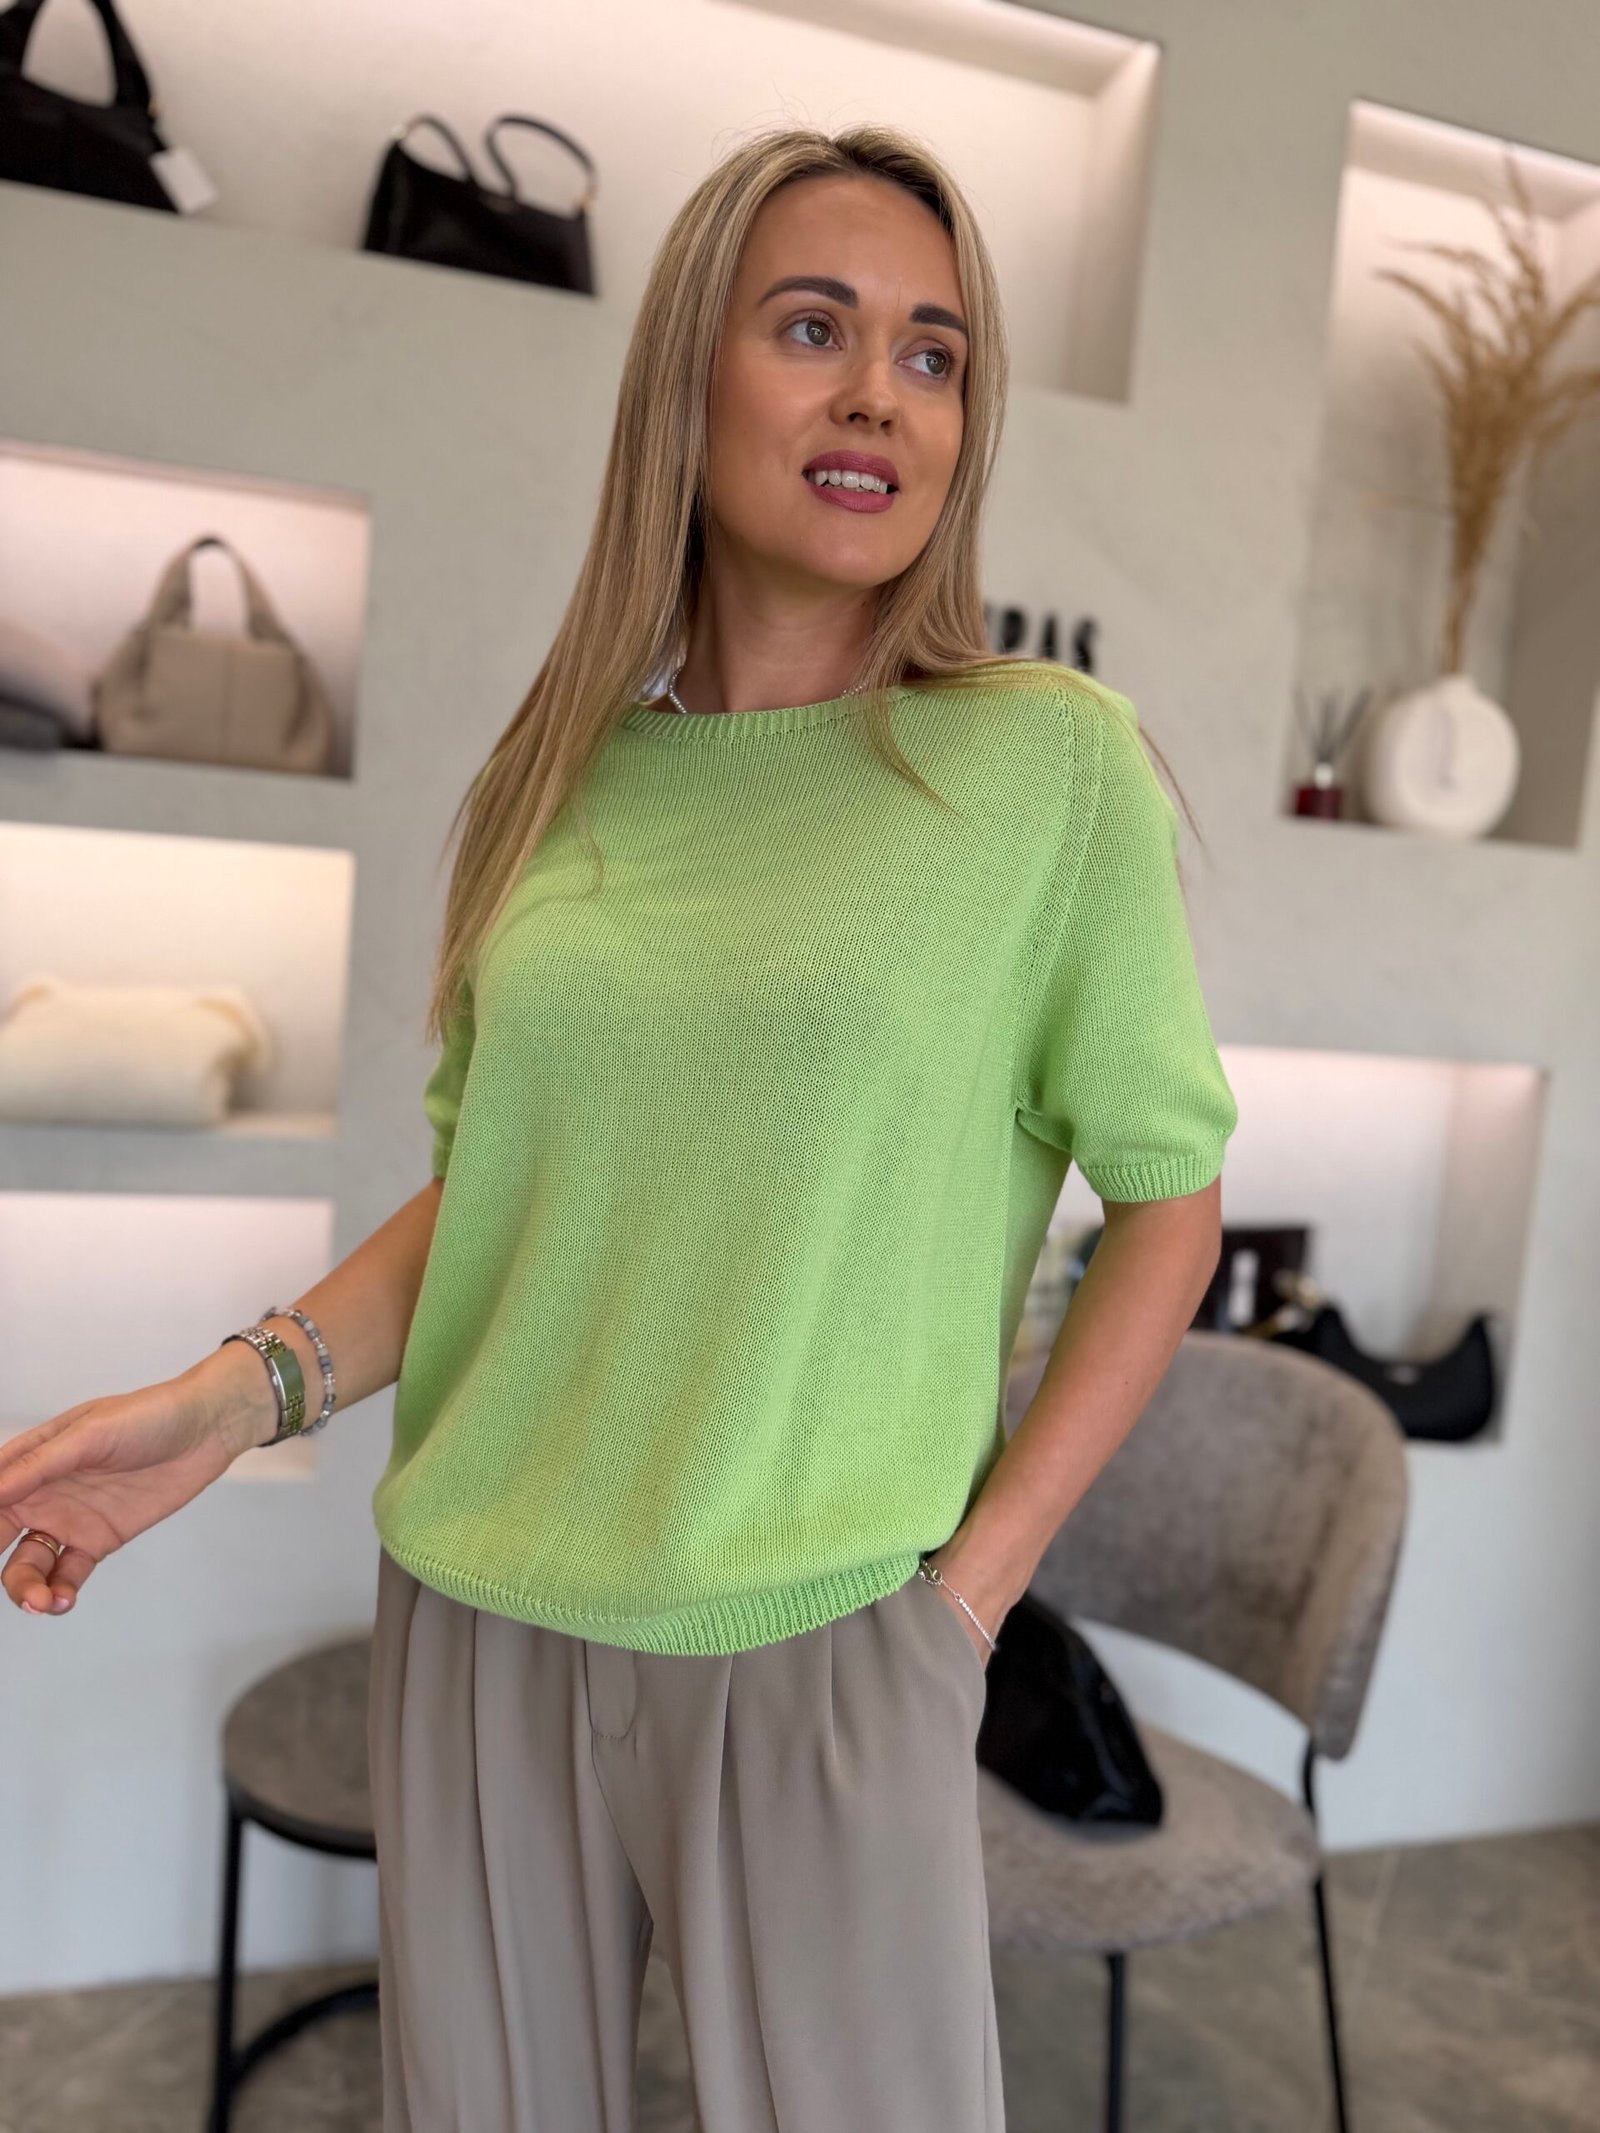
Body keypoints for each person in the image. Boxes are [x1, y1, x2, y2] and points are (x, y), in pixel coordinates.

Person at [0, 122, 1237, 2132]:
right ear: (688, 375)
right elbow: (496, 1200)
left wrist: (964, 1602)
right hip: (476, 1610)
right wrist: (233, 1397)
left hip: (821, 1637)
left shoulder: (1042, 771)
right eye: (813, 327)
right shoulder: (557, 775)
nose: (878, 394)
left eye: (932, 355)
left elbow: (1169, 1206)